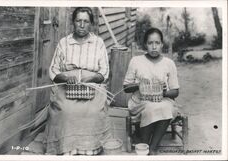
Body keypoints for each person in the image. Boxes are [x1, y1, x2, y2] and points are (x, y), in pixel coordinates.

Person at [43, 7, 112, 155]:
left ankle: (89, 147)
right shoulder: (64, 43)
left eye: (86, 21)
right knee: (67, 111)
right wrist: (66, 78)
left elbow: (104, 71)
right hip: (67, 87)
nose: (82, 25)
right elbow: (53, 70)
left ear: (91, 24)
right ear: (73, 23)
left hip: (91, 88)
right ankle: (66, 148)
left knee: (93, 112)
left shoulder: (98, 43)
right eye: (78, 21)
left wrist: (93, 78)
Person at [123, 27, 180, 155]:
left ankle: (152, 148)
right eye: (150, 43)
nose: (154, 47)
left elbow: (175, 91)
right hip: (140, 101)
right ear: (145, 45)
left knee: (164, 108)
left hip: (161, 99)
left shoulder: (169, 63)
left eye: (157, 43)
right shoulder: (136, 61)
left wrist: (161, 92)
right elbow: (126, 87)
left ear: (162, 45)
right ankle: (144, 143)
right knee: (150, 108)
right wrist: (140, 85)